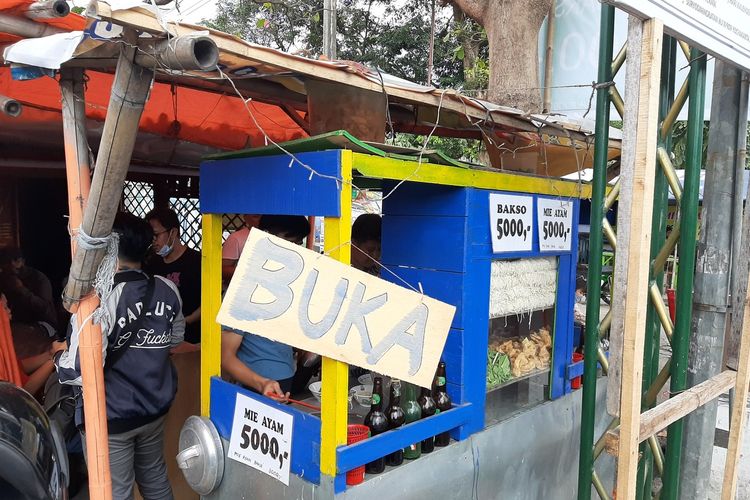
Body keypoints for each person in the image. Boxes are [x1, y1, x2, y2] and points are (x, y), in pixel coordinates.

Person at [55, 212, 185, 500]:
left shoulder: (99, 301)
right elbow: (174, 339)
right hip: (154, 410)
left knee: (115, 492)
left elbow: (77, 372)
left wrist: (57, 357)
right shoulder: (168, 289)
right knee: (154, 479)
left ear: (107, 249)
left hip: (112, 417)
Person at [221, 215, 310, 399]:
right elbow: (226, 357)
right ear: (266, 238)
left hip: (285, 379)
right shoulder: (245, 288)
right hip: (256, 387)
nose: (293, 250)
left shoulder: (287, 285)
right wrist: (262, 383)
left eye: (297, 243)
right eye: (288, 241)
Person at [145, 207, 201, 344]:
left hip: (191, 338)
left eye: (156, 235)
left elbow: (210, 301)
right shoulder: (151, 262)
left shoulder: (197, 261)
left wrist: (182, 323)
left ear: (173, 232)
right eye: (150, 236)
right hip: (157, 337)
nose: (153, 241)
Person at [0, 247, 57, 327]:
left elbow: (45, 308)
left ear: (23, 261)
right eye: (7, 262)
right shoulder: (4, 278)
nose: (12, 265)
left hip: (43, 324)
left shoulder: (38, 278)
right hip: (16, 325)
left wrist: (22, 289)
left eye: (16, 260)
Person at [222, 214, 261, 281]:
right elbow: (223, 269)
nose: (261, 219)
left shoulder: (279, 235)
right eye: (256, 216)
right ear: (245, 218)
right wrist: (251, 273)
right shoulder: (235, 238)